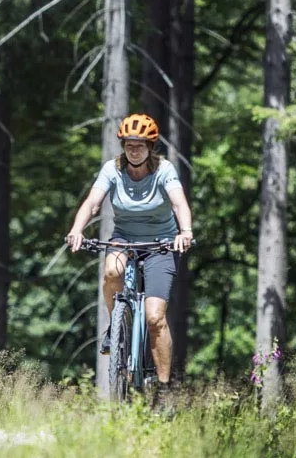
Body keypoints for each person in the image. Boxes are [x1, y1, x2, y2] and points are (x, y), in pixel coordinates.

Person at [64, 113, 194, 390]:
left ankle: (161, 387)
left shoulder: (164, 170)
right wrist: (77, 230)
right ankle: (116, 326)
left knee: (155, 317)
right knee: (112, 271)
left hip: (162, 244)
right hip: (125, 239)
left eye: (140, 145)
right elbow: (92, 203)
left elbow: (179, 204)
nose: (134, 150)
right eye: (129, 145)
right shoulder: (112, 169)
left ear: (151, 147)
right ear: (123, 146)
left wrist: (185, 232)